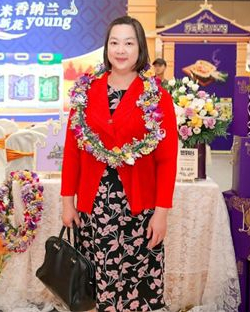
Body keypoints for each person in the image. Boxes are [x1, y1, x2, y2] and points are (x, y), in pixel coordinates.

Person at [61, 16, 178, 311]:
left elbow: (167, 160)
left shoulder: (157, 96)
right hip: (95, 207)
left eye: (128, 43)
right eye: (114, 42)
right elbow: (72, 152)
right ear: (106, 47)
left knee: (138, 287)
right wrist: (67, 202)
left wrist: (161, 213)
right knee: (98, 283)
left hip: (140, 207)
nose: (121, 50)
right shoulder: (86, 91)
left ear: (140, 48)